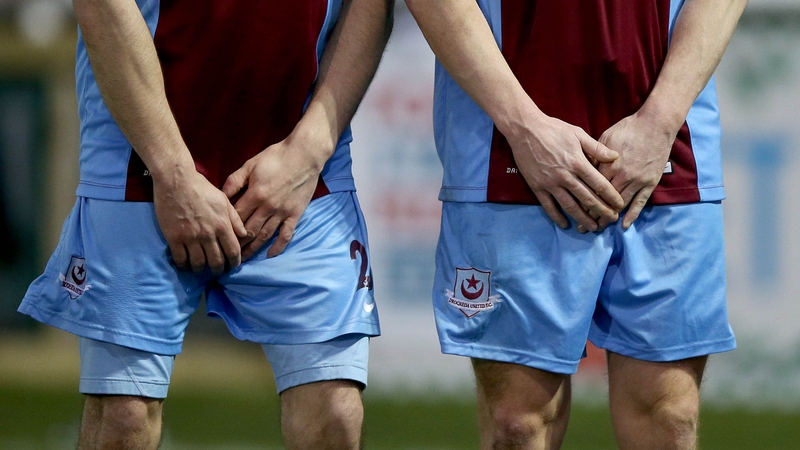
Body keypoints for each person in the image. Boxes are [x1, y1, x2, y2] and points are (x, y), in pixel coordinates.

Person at [18, 0, 392, 448]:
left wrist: (310, 147)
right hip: (139, 158)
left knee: (336, 414)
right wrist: (172, 173)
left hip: (300, 161)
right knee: (123, 419)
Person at [405, 0, 746, 448]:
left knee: (670, 418)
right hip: (506, 147)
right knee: (518, 424)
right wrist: (523, 126)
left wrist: (661, 120)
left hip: (666, 145)